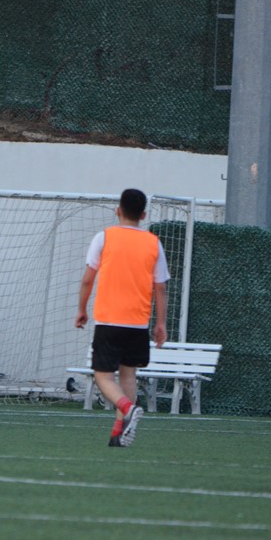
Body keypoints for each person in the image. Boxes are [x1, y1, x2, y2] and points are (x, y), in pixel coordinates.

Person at [75, 188, 170, 447]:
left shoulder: (104, 237)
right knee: (128, 375)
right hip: (138, 323)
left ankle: (128, 408)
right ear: (143, 215)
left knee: (103, 376)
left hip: (109, 320)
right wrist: (161, 323)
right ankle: (119, 433)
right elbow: (161, 287)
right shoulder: (153, 243)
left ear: (118, 211)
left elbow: (87, 279)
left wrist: (81, 309)